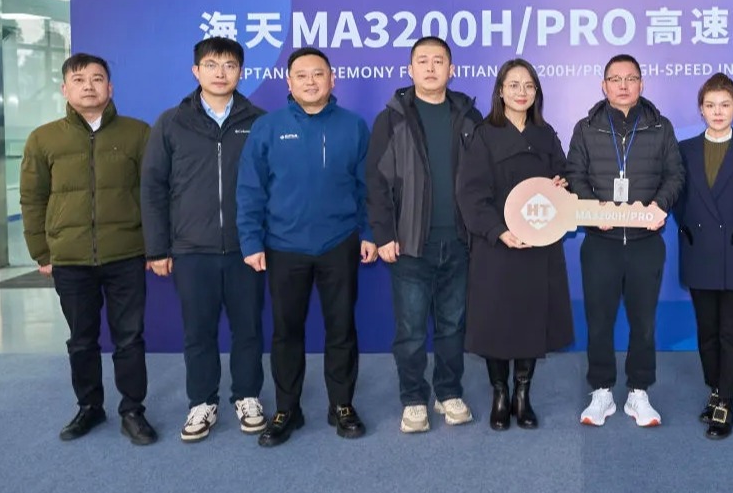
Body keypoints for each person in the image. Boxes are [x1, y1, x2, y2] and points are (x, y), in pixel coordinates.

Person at [237, 47, 377, 447]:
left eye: (318, 74)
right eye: (301, 75)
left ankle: (342, 405)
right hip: (284, 246)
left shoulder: (353, 126)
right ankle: (287, 409)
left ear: (332, 79)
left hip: (339, 243)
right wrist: (251, 240)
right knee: (286, 332)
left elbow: (368, 187)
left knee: (341, 329)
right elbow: (250, 189)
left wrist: (369, 232)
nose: (310, 81)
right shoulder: (267, 127)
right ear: (289, 82)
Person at [20, 53, 157, 445]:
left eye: (97, 79)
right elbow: (33, 198)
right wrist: (42, 252)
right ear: (65, 89)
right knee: (81, 340)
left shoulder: (137, 133)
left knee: (129, 338)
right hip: (70, 258)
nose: (89, 86)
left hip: (126, 253)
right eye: (79, 79)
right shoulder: (43, 139)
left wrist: (154, 247)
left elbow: (152, 194)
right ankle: (89, 407)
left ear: (110, 88)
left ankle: (133, 411)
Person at [141, 37, 268, 442]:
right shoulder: (171, 122)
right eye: (211, 65)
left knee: (248, 329)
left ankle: (247, 396)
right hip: (191, 249)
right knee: (198, 331)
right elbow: (153, 188)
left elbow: (273, 185)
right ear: (196, 71)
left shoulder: (260, 121)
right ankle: (202, 402)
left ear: (241, 72)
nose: (220, 73)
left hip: (246, 249)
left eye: (229, 65)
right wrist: (157, 248)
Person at [367, 36, 483, 433]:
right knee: (411, 331)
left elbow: (488, 175)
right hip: (410, 243)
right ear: (410, 69)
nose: (431, 67)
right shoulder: (392, 118)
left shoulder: (469, 117)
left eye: (439, 61)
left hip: (460, 242)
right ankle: (413, 398)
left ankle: (448, 392)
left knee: (453, 326)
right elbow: (376, 182)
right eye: (423, 61)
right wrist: (383, 234)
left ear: (452, 70)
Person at [455, 59, 575, 431]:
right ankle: (500, 393)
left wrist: (562, 184)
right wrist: (498, 231)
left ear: (537, 93)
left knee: (529, 319)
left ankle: (523, 393)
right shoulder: (483, 134)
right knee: (497, 322)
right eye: (514, 85)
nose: (521, 92)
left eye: (529, 86)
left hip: (539, 243)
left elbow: (564, 175)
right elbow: (470, 193)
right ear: (500, 91)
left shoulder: (546, 133)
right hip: (497, 245)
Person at [567, 53, 685, 427]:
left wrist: (658, 205)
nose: (623, 85)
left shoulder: (660, 127)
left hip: (644, 241)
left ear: (641, 84)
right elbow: (574, 174)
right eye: (615, 79)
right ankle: (601, 390)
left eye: (630, 78)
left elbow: (675, 175)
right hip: (599, 242)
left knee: (643, 321)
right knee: (599, 320)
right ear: (603, 85)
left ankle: (639, 391)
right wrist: (594, 208)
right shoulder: (586, 128)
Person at [673, 73, 733, 440]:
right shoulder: (684, 149)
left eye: (725, 105)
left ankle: (726, 401)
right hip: (699, 252)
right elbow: (678, 200)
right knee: (707, 331)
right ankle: (715, 387)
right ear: (700, 109)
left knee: (731, 330)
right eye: (711, 105)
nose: (718, 112)